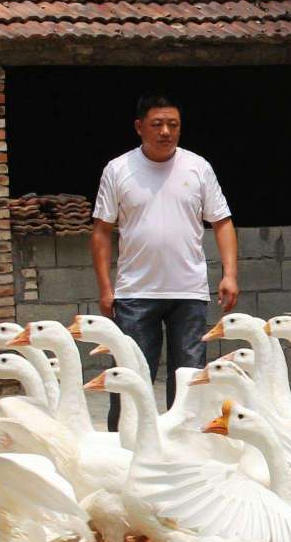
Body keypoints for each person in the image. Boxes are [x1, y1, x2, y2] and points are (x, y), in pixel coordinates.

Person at [91, 95, 238, 416]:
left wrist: (229, 274)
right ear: (139, 127)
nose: (166, 132)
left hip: (189, 293)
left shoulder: (198, 167)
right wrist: (105, 288)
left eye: (173, 125)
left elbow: (222, 222)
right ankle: (125, 451)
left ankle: (184, 452)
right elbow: (101, 231)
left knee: (189, 383)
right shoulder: (118, 170)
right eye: (157, 124)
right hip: (135, 294)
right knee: (131, 379)